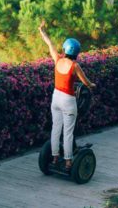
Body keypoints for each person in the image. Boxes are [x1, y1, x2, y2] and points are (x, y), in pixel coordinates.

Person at [39, 21, 95, 170]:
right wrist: (92, 85)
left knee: (56, 128)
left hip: (55, 97)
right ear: (76, 52)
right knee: (68, 132)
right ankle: (69, 162)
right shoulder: (75, 66)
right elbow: (86, 82)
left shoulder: (57, 59)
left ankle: (55, 157)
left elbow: (50, 44)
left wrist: (42, 31)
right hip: (68, 100)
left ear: (65, 49)